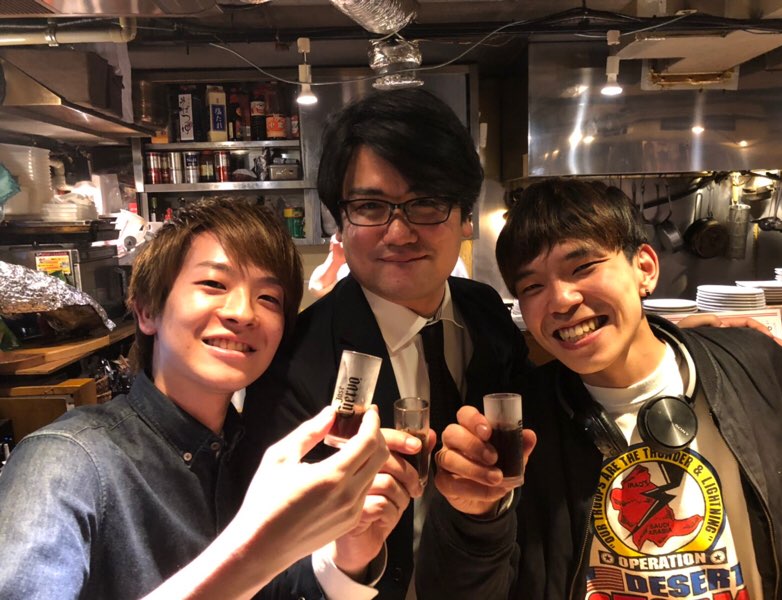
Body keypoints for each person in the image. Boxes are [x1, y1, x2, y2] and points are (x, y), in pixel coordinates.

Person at [0, 197, 423, 599]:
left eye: (268, 298)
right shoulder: (66, 462)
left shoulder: (249, 454)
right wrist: (253, 551)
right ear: (147, 310)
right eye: (213, 283)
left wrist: (349, 553)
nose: (243, 312)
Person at [417, 178, 782, 599]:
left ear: (645, 268)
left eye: (582, 267)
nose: (561, 300)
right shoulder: (520, 429)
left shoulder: (759, 368)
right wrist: (476, 518)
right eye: (532, 287)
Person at [239, 88, 534, 598]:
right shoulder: (295, 360)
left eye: (426, 203)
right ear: (340, 221)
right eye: (370, 206)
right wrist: (347, 559)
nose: (398, 233)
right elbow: (259, 554)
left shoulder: (486, 314)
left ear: (465, 217)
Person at [308, 232, 470, 300]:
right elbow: (316, 288)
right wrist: (335, 259)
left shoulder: (450, 265)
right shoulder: (355, 266)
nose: (399, 235)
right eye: (372, 207)